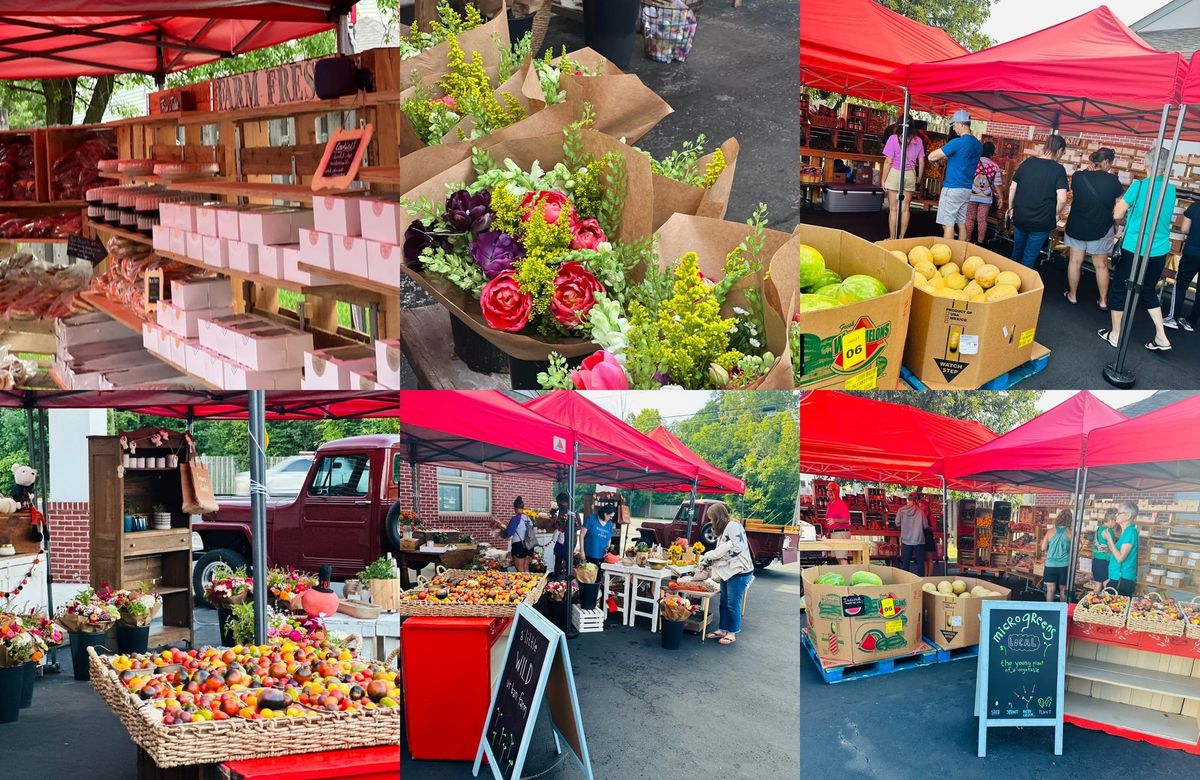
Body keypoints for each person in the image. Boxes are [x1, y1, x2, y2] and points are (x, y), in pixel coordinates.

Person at [1101, 146, 1177, 353]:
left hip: (1134, 248)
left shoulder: (1140, 186)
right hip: (1159, 250)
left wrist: (1129, 214)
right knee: (1148, 290)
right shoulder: (1170, 189)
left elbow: (1117, 214)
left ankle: (1115, 334)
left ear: (1147, 164)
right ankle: (1161, 336)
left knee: (1119, 289)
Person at [1064, 148, 1124, 307]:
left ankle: (1073, 295)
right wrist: (1116, 225)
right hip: (1101, 227)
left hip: (1076, 225)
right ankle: (1103, 301)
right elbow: (1119, 209)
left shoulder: (1077, 176)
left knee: (1075, 261)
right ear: (1105, 162)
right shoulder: (1113, 181)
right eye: (1110, 162)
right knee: (1101, 265)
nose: (1111, 166)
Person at [1007, 135, 1069, 268]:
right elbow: (1062, 199)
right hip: (1042, 220)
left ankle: (1009, 281)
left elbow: (1012, 187)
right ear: (1059, 150)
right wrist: (1055, 214)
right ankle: (1025, 286)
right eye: (1063, 153)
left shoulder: (1027, 163)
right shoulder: (1058, 169)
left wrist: (1011, 208)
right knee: (1029, 256)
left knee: (1017, 250)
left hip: (1020, 216)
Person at [700, 502, 753, 646]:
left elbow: (737, 548)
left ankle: (732, 632)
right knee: (724, 601)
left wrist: (716, 558)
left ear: (718, 517)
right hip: (728, 571)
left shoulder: (733, 526)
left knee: (732, 603)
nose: (711, 522)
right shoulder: (724, 529)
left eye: (712, 518)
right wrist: (709, 561)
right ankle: (723, 629)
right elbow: (721, 550)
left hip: (739, 571)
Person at [928, 109, 982, 242]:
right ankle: (961, 252)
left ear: (961, 124)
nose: (953, 128)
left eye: (954, 124)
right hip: (966, 189)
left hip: (952, 188)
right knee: (961, 223)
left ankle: (948, 255)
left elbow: (931, 156)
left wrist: (940, 160)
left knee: (948, 224)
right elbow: (963, 158)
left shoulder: (958, 142)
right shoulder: (978, 145)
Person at [881, 120, 925, 239]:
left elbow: (888, 161)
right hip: (910, 174)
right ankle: (901, 238)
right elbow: (921, 161)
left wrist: (883, 179)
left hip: (895, 173)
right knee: (905, 209)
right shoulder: (918, 141)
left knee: (893, 209)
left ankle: (892, 238)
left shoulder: (893, 139)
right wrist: (918, 177)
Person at [1164, 196, 1200, 332]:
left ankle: (1173, 317)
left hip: (1192, 252)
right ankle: (1191, 321)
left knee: (1181, 284)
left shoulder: (1195, 207)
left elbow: (1184, 229)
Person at [965, 141, 1005, 244]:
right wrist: (1001, 198)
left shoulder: (974, 162)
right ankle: (980, 241)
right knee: (982, 220)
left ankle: (967, 240)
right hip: (986, 198)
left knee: (970, 218)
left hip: (972, 195)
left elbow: (967, 177)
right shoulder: (995, 166)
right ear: (991, 153)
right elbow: (997, 184)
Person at [1108, 501, 1141, 597]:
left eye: (1119, 513)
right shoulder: (1126, 532)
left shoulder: (1130, 532)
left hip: (1122, 577)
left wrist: (1110, 540)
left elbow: (1120, 558)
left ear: (1128, 516)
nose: (1116, 515)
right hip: (1118, 576)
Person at [494, 497, 535, 573]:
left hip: (519, 546)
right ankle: (531, 584)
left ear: (515, 508)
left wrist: (501, 528)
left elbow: (509, 533)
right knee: (526, 568)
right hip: (530, 545)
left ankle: (524, 584)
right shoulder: (528, 518)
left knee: (520, 570)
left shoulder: (515, 518)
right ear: (523, 507)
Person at [1040, 508, 1073, 602]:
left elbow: (1043, 548)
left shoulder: (1050, 531)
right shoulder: (1070, 532)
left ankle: (1049, 612)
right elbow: (1077, 548)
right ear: (1070, 520)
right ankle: (1062, 613)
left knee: (1050, 590)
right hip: (1064, 565)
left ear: (1058, 518)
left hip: (1050, 565)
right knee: (1063, 590)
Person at [897, 492, 925, 576]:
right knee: (920, 562)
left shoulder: (901, 510)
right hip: (918, 539)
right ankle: (921, 579)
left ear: (908, 499)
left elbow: (897, 523)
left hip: (906, 539)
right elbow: (925, 525)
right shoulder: (920, 511)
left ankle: (906, 580)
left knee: (906, 561)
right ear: (916, 500)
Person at [823, 482, 852, 565]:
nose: (829, 492)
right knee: (838, 557)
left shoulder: (841, 504)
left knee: (842, 557)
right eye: (828, 490)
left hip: (841, 532)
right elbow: (829, 520)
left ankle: (847, 575)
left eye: (832, 490)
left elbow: (846, 520)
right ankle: (844, 574)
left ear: (836, 492)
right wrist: (828, 532)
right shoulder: (830, 504)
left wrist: (835, 520)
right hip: (834, 533)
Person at [1091, 507, 1119, 592]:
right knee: (1108, 587)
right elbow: (1112, 547)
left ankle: (1093, 603)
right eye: (1115, 522)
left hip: (1096, 561)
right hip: (1104, 561)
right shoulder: (1108, 531)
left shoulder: (1099, 528)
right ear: (1111, 520)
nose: (1115, 524)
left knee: (1097, 586)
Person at [920, 497, 937, 577]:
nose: (920, 508)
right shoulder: (920, 515)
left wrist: (927, 527)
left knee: (929, 558)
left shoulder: (931, 516)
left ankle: (929, 575)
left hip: (929, 538)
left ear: (925, 506)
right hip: (922, 538)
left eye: (921, 506)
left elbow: (934, 528)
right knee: (924, 559)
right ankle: (925, 575)